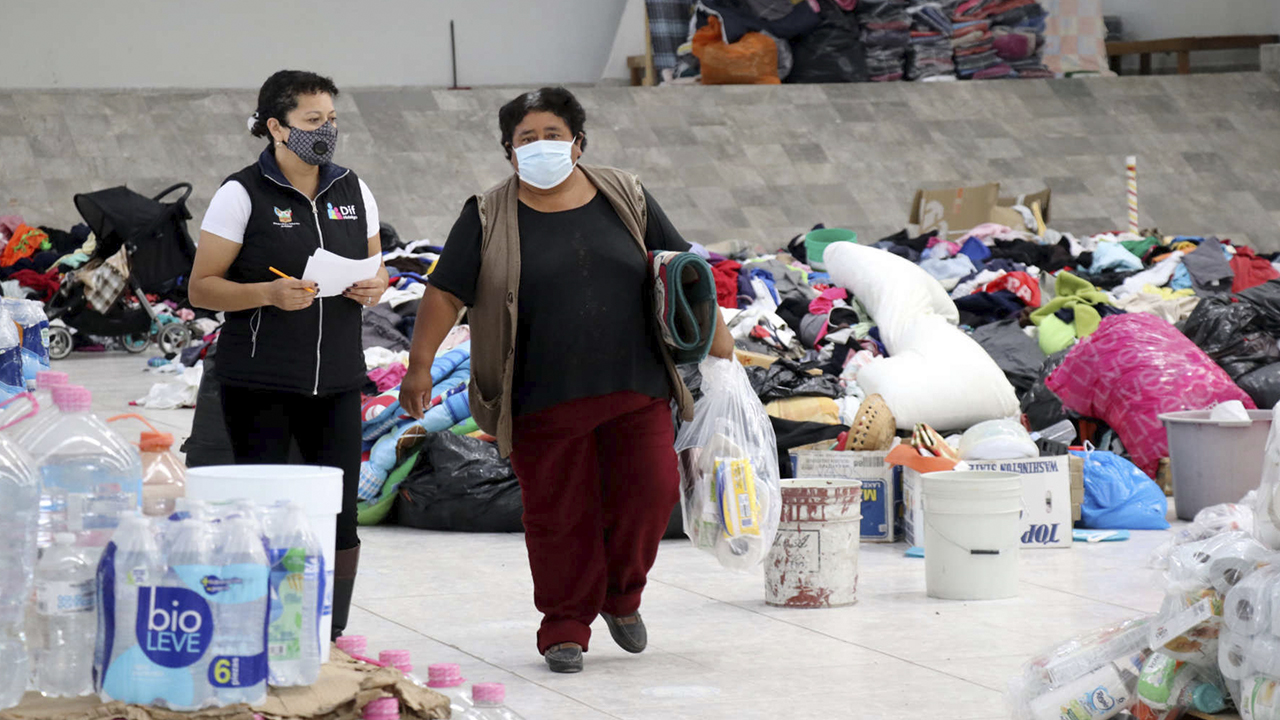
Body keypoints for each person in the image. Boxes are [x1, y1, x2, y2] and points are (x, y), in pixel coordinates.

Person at [400, 87, 734, 674]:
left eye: (552, 134)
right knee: (558, 515)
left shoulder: (624, 195)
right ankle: (565, 626)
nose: (541, 146)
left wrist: (722, 349)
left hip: (636, 385)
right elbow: (446, 290)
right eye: (526, 139)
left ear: (578, 142)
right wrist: (420, 365)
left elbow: (681, 266)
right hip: (540, 396)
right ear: (509, 153)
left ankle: (622, 597)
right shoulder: (487, 213)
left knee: (650, 496)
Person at [189, 69, 388, 640]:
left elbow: (377, 268)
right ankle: (259, 627)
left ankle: (331, 634)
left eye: (331, 120)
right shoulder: (241, 193)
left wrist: (375, 284)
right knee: (265, 513)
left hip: (341, 381)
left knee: (341, 515)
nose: (325, 131)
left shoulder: (354, 188)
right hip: (261, 382)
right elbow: (201, 287)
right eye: (311, 121)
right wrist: (266, 295)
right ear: (276, 126)